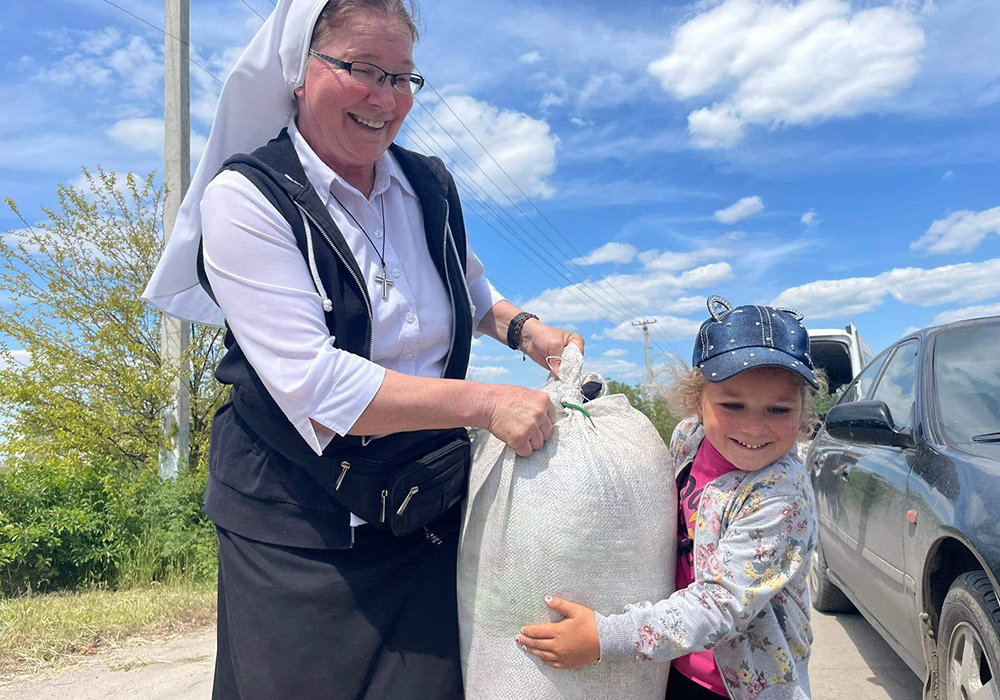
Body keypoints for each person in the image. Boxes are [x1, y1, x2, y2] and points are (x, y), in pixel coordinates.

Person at [141, 1, 582, 698]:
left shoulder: (427, 185)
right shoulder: (247, 199)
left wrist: (526, 331)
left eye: (403, 77)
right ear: (299, 71)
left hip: (420, 506)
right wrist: (487, 402)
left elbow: (465, 286)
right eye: (363, 70)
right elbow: (315, 385)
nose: (386, 98)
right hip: (298, 528)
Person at [517, 296, 823, 700]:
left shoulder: (780, 498)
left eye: (778, 410)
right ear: (698, 401)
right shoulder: (688, 439)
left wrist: (604, 637)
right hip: (670, 666)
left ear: (802, 411)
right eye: (733, 404)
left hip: (742, 687)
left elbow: (721, 606)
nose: (754, 426)